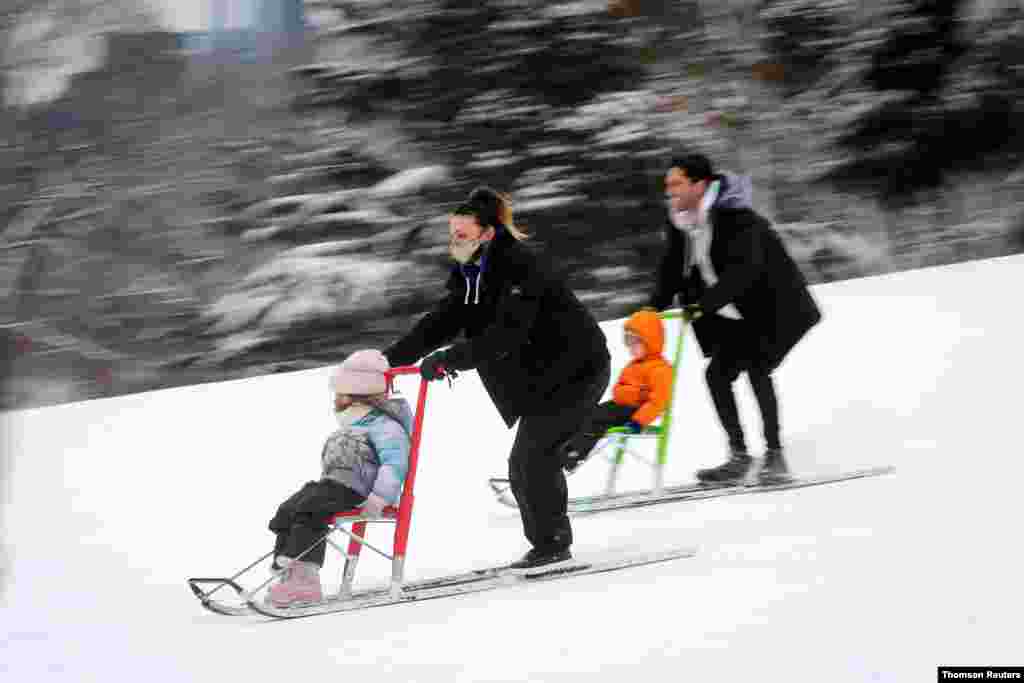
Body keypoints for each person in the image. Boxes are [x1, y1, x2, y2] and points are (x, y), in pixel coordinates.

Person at [383, 186, 611, 570]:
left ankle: (553, 546)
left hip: (577, 370)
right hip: (543, 377)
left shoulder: (519, 266)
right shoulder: (471, 271)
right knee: (526, 463)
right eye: (452, 233)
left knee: (532, 460)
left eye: (462, 234)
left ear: (487, 233)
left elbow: (508, 334)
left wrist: (450, 359)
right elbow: (443, 321)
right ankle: (548, 544)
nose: (453, 241)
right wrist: (388, 360)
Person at [648, 154, 821, 485]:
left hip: (776, 309)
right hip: (734, 314)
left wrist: (702, 306)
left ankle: (775, 456)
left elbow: (745, 274)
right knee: (717, 375)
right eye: (667, 184)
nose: (668, 190)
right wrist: (650, 309)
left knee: (757, 367)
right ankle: (739, 457)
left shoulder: (739, 218)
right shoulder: (680, 222)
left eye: (676, 183)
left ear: (700, 185)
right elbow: (670, 270)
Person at [266, 349, 412, 607]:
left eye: (340, 395)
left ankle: (305, 582)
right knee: (288, 509)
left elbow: (394, 465)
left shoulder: (386, 427)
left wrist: (379, 498)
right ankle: (289, 573)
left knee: (311, 509)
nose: (336, 401)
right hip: (334, 486)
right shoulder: (356, 422)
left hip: (359, 492)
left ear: (358, 396)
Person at [560, 309, 673, 472]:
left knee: (597, 418)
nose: (630, 347)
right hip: (619, 407)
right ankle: (566, 448)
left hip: (635, 412)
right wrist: (635, 393)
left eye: (635, 341)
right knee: (587, 413)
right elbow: (618, 391)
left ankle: (574, 453)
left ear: (650, 341)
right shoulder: (632, 366)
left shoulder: (661, 369)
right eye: (627, 341)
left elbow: (658, 401)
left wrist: (638, 421)